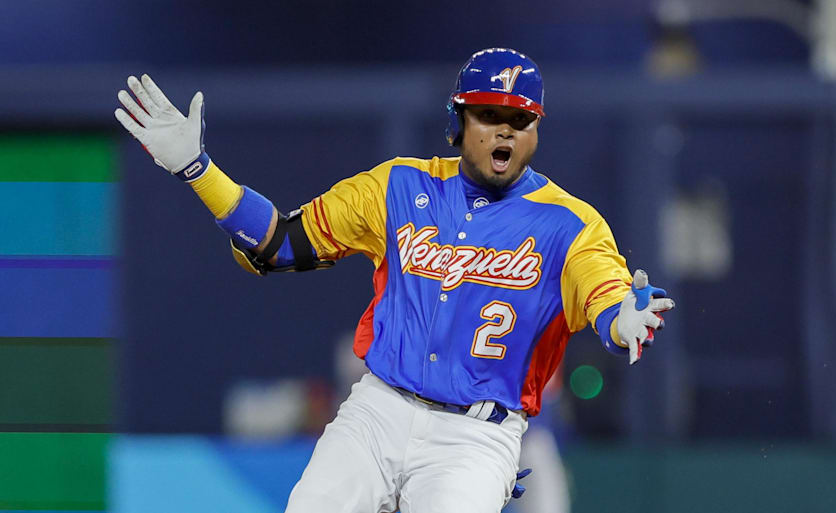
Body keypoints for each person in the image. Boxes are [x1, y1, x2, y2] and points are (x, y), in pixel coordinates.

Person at [114, 47, 675, 513]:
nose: (504, 133)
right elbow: (282, 244)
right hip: (378, 410)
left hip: (475, 437)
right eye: (487, 116)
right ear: (457, 122)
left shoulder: (570, 223)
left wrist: (625, 320)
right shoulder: (397, 187)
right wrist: (198, 170)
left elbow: (606, 296)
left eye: (520, 120)